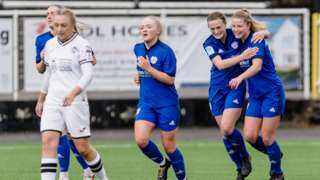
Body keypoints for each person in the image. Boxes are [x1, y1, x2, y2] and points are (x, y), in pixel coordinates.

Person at [35, 8, 109, 180]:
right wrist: (41, 100)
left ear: (72, 26)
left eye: (64, 25)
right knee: (48, 143)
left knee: (82, 148)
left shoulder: (82, 44)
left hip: (75, 102)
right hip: (53, 101)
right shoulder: (50, 44)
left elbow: (88, 74)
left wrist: (73, 93)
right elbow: (48, 74)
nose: (60, 29)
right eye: (57, 25)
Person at [203, 11, 269, 180]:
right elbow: (220, 64)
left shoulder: (236, 34)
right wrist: (241, 56)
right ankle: (240, 167)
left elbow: (253, 32)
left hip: (235, 86)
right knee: (226, 134)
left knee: (226, 127)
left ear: (225, 24)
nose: (216, 31)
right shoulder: (208, 43)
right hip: (217, 89)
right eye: (212, 29)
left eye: (219, 27)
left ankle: (247, 156)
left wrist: (264, 32)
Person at [229, 9, 285, 180]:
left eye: (240, 26)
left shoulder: (255, 40)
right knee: (250, 136)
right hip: (255, 96)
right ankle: (275, 154)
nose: (236, 29)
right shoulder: (238, 41)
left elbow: (256, 66)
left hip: (272, 93)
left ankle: (277, 173)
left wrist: (240, 77)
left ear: (248, 26)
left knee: (267, 138)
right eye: (234, 26)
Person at [133, 16, 187, 180]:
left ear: (158, 30)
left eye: (148, 26)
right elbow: (142, 69)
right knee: (141, 140)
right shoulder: (138, 48)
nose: (144, 29)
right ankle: (163, 163)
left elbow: (170, 79)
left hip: (167, 104)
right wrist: (138, 75)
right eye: (142, 27)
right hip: (147, 103)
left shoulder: (166, 52)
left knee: (169, 146)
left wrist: (148, 69)